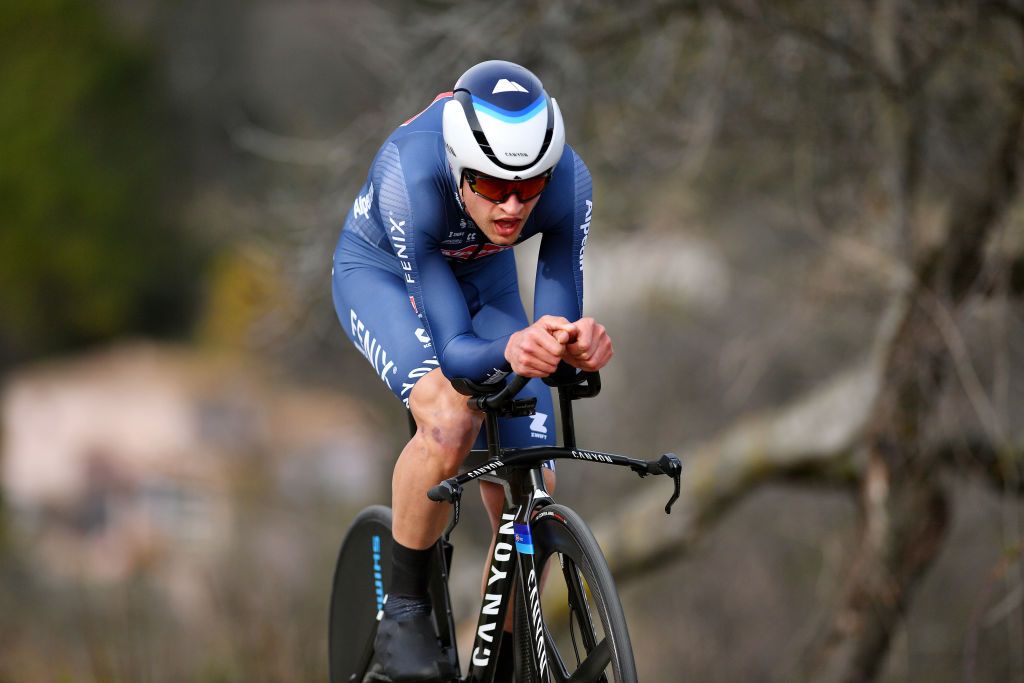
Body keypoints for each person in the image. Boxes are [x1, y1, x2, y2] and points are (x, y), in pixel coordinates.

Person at [332, 60, 613, 682]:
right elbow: (457, 350)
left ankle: (506, 660)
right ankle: (402, 614)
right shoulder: (409, 171)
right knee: (450, 420)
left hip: (483, 285)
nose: (513, 206)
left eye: (529, 187)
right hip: (382, 275)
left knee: (532, 473)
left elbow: (555, 316)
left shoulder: (569, 181)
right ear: (459, 166)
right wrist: (514, 351)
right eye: (490, 186)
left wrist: (572, 344)